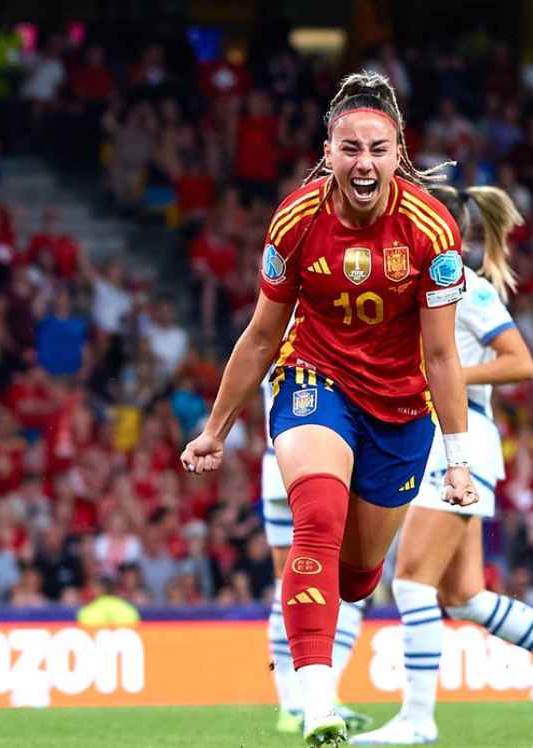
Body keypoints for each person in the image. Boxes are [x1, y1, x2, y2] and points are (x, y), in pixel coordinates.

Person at [181, 70, 480, 748]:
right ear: (329, 151)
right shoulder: (295, 219)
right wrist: (215, 430)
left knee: (357, 577)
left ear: (399, 151)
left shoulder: (433, 231)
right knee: (315, 518)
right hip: (315, 379)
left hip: (401, 411)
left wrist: (458, 461)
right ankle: (317, 705)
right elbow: (262, 334)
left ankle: (338, 616)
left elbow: (441, 356)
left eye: (377, 148)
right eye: (350, 148)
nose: (363, 162)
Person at [352, 185, 533, 745]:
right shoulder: (411, 286)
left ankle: (418, 721)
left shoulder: (464, 287)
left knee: (412, 584)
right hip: (437, 437)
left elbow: (521, 362)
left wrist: (444, 377)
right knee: (464, 596)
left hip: (458, 439)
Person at [258, 373, 373, 736]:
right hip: (328, 454)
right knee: (343, 573)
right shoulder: (325, 320)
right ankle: (319, 696)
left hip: (280, 454)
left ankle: (296, 702)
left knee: (289, 580)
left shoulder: (274, 320)